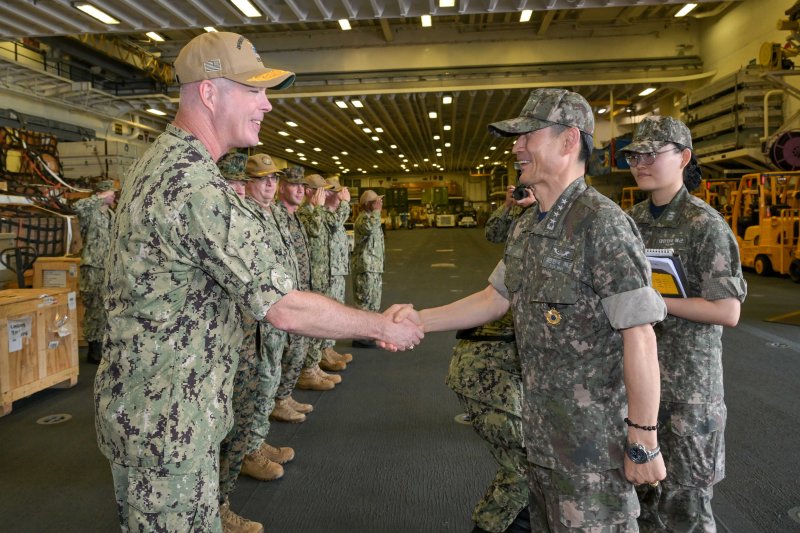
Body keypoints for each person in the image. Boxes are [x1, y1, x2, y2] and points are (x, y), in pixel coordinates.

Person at [94, 31, 422, 533]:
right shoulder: (193, 186)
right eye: (253, 90)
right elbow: (284, 307)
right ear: (209, 92)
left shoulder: (166, 164)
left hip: (168, 407)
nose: (266, 104)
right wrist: (381, 324)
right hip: (167, 418)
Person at [396, 88, 668, 531]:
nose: (516, 147)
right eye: (515, 138)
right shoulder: (528, 225)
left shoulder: (602, 225)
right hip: (540, 435)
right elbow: (494, 299)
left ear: (568, 141)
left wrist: (643, 440)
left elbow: (640, 334)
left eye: (527, 136)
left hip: (591, 447)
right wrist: (416, 321)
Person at [620, 116, 747, 532]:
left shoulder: (705, 226)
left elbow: (727, 311)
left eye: (653, 154)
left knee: (686, 510)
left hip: (689, 395)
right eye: (635, 155)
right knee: (642, 506)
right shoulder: (630, 221)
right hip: (639, 390)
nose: (642, 162)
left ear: (684, 158)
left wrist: (657, 302)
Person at [214, 153, 292, 533]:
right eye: (251, 181)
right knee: (228, 419)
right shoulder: (223, 218)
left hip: (259, 326)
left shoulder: (263, 215)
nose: (264, 186)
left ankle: (248, 451)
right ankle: (218, 503)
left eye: (271, 179)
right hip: (234, 336)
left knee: (251, 402)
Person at [271, 165, 315, 421]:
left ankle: (284, 396)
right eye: (294, 185)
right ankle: (278, 400)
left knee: (298, 348)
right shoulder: (276, 216)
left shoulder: (294, 216)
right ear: (282, 187)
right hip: (285, 297)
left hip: (300, 291)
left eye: (302, 186)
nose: (301, 190)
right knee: (286, 352)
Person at [72, 180, 116, 364]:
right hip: (92, 267)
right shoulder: (90, 211)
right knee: (94, 308)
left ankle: (104, 344)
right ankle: (93, 348)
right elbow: (76, 206)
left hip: (108, 267)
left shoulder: (111, 215)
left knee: (106, 306)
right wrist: (98, 198)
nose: (114, 196)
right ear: (103, 193)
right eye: (111, 193)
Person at [351, 190, 385, 348]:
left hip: (373, 266)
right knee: (364, 302)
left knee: (373, 302)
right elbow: (369, 228)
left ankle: (369, 334)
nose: (380, 205)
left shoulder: (372, 217)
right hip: (365, 267)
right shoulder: (364, 219)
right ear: (367, 205)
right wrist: (377, 212)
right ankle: (360, 336)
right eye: (376, 202)